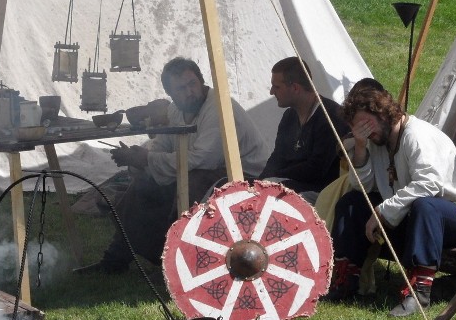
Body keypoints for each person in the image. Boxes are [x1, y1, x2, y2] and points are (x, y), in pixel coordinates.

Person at [75, 57, 270, 274]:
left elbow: (202, 159)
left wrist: (147, 160)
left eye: (192, 84)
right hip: (204, 170)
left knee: (189, 184)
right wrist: (141, 160)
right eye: (181, 88)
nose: (189, 92)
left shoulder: (218, 108)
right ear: (170, 94)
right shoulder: (177, 110)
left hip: (245, 175)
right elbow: (163, 145)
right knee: (143, 184)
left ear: (201, 81)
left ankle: (177, 259)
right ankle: (115, 259)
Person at [324, 86, 456, 316]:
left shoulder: (416, 135)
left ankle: (419, 292)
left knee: (425, 205)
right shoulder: (377, 141)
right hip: (414, 219)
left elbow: (428, 185)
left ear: (382, 113)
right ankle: (345, 283)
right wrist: (360, 147)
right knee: (353, 202)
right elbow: (364, 187)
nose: (363, 131)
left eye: (365, 124)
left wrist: (383, 211)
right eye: (357, 127)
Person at [259, 57, 350, 201]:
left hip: (320, 193)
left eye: (276, 87)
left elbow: (317, 169)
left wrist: (277, 177)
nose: (271, 92)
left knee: (270, 194)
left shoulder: (331, 117)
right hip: (288, 182)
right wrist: (259, 182)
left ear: (295, 88)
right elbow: (277, 157)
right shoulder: (289, 116)